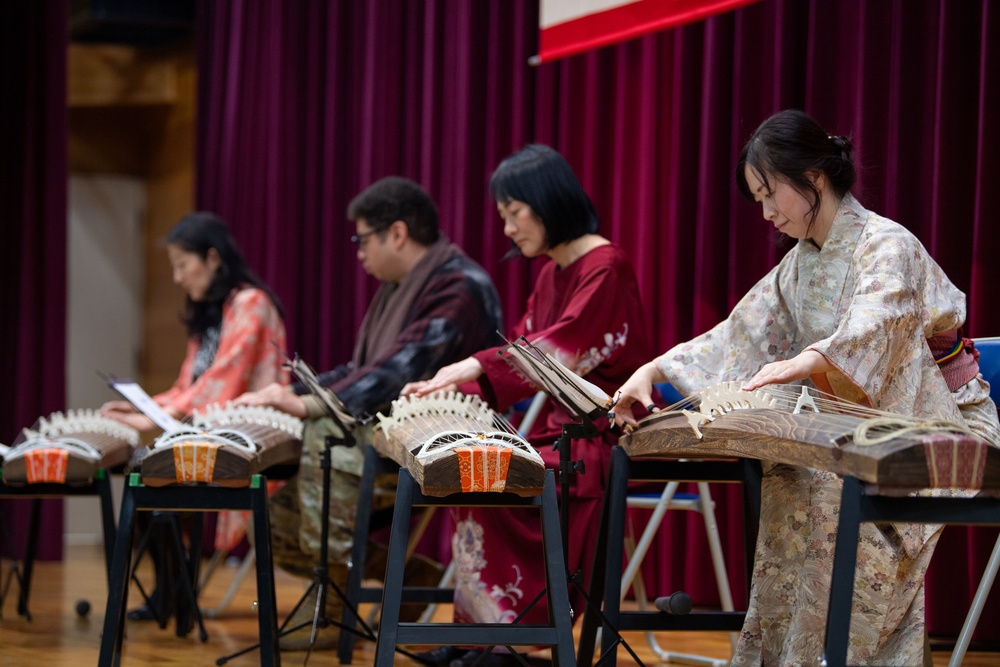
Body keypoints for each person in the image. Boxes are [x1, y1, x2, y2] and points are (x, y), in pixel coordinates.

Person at [611, 109, 1000, 666]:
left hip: (936, 418)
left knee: (834, 500)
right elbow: (737, 334)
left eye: (772, 194)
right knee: (791, 481)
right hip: (854, 423)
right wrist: (652, 372)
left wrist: (806, 362)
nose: (767, 213)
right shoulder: (799, 264)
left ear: (814, 178)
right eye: (759, 200)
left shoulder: (888, 244)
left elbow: (878, 323)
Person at [403, 144, 656, 666]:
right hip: (558, 434)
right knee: (472, 465)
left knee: (487, 473)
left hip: (598, 441)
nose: (508, 230)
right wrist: (442, 392)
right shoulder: (550, 274)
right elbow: (520, 355)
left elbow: (558, 351)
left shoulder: (606, 266)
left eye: (513, 213)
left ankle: (501, 643)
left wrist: (473, 367)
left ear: (546, 201)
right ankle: (486, 637)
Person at [232, 176, 504, 648]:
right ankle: (412, 575)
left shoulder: (461, 286)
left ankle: (334, 613)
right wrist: (293, 393)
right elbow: (366, 370)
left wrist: (309, 404)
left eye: (362, 239)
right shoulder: (401, 287)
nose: (357, 251)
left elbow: (402, 370)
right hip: (386, 438)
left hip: (440, 440)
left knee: (324, 442)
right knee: (271, 523)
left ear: (396, 233)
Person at [101, 211, 288, 626]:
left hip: (248, 431)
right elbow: (189, 385)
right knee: (148, 479)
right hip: (208, 424)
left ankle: (176, 590)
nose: (177, 277)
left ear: (213, 258)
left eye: (182, 265)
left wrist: (149, 420)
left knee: (157, 474)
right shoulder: (210, 314)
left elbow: (225, 383)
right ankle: (171, 589)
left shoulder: (250, 303)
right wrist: (139, 409)